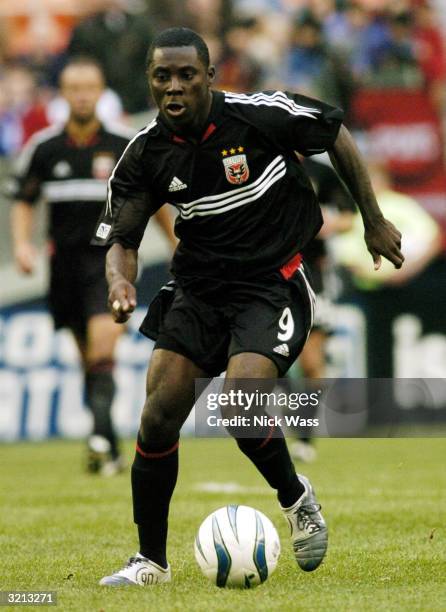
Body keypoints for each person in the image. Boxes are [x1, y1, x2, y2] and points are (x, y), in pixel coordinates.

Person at [93, 27, 404, 586]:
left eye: (187, 75)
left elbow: (335, 134)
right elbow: (123, 237)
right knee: (158, 413)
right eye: (162, 77)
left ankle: (295, 497)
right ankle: (150, 562)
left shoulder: (261, 115)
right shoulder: (145, 153)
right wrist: (119, 282)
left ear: (210, 76)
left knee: (241, 400)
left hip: (272, 282)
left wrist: (373, 219)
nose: (174, 87)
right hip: (199, 289)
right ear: (150, 81)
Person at [10, 56, 175, 476]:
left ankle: (101, 439)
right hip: (62, 266)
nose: (82, 95)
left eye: (89, 88)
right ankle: (108, 442)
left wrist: (178, 243)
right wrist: (22, 247)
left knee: (104, 349)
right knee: (89, 361)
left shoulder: (124, 144)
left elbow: (154, 198)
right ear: (62, 95)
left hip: (109, 263)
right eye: (74, 88)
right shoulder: (44, 148)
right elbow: (24, 201)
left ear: (101, 92)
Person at [289, 155, 356, 463]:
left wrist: (325, 224)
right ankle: (290, 404)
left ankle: (304, 437)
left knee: (313, 362)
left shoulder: (321, 173)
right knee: (267, 359)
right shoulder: (261, 158)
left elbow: (349, 217)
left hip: (314, 277)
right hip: (267, 272)